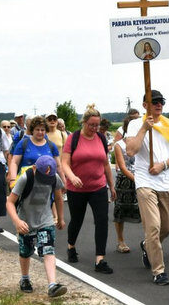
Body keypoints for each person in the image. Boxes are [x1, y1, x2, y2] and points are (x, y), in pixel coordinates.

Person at [125, 89, 169, 286]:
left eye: (161, 102)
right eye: (154, 101)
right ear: (145, 105)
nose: (159, 105)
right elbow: (131, 150)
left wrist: (163, 165)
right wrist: (144, 128)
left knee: (167, 227)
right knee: (153, 227)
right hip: (145, 182)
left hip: (166, 182)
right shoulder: (135, 124)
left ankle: (147, 246)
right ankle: (159, 271)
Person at [61, 104, 116, 274]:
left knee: (102, 220)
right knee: (76, 220)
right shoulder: (74, 138)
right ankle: (71, 246)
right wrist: (72, 177)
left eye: (97, 125)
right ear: (84, 123)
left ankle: (100, 259)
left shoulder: (100, 138)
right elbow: (64, 162)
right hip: (76, 188)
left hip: (98, 187)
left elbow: (105, 163)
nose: (94, 128)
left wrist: (111, 185)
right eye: (91, 125)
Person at [6, 155, 67, 298]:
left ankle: (52, 285)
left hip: (45, 219)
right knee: (25, 251)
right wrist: (17, 221)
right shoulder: (26, 178)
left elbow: (58, 198)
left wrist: (60, 218)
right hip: (25, 221)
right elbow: (9, 202)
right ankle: (25, 278)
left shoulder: (53, 178)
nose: (45, 181)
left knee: (48, 249)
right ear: (34, 168)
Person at [113, 115, 141, 254]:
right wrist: (136, 179)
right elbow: (123, 167)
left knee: (146, 212)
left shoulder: (143, 142)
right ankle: (120, 241)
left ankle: (149, 241)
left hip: (143, 179)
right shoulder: (119, 145)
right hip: (125, 181)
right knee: (120, 211)